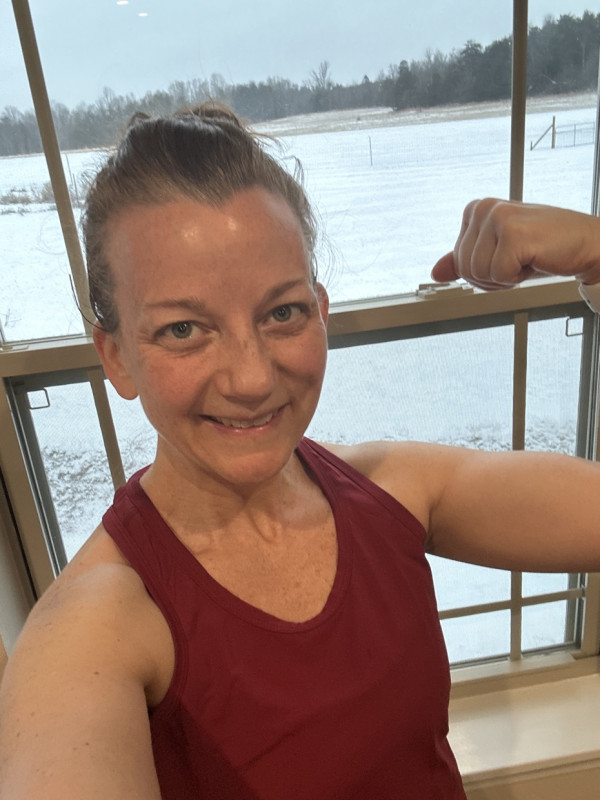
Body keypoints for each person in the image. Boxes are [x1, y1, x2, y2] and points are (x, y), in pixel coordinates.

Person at [1, 102, 600, 800]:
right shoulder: (94, 626)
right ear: (116, 357)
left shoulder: (397, 491)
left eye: (282, 312)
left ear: (321, 312)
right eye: (184, 329)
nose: (252, 378)